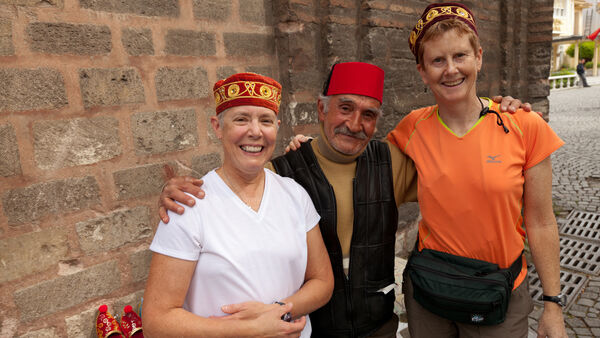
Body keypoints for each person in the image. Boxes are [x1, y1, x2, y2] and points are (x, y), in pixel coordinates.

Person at [158, 64, 531, 336]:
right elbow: (236, 177)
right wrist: (174, 192)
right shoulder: (283, 171)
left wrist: (493, 112)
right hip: (315, 327)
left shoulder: (394, 161)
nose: (355, 124)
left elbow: (468, 168)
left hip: (378, 325)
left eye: (368, 114)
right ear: (321, 109)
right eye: (345, 108)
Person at [386, 3, 567, 337]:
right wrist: (309, 145)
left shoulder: (524, 126)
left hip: (498, 293)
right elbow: (360, 164)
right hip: (430, 292)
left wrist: (553, 306)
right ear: (423, 72)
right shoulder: (411, 128)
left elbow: (542, 221)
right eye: (437, 61)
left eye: (460, 56)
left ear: (479, 57)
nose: (450, 70)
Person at [142, 72, 334, 338]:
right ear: (218, 127)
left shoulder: (294, 195)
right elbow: (157, 321)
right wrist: (250, 329)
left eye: (265, 120)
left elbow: (322, 281)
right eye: (241, 119)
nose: (255, 131)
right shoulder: (189, 205)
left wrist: (279, 311)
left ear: (276, 127)